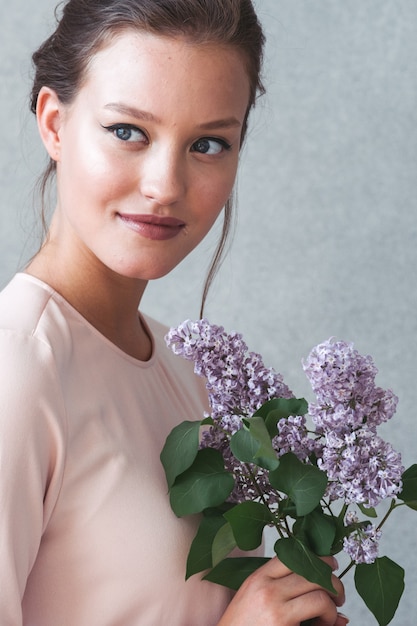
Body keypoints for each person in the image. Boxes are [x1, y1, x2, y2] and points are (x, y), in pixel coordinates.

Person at [0, 1, 349, 624]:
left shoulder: (189, 375)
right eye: (128, 131)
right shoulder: (18, 367)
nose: (165, 184)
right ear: (54, 123)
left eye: (208, 143)